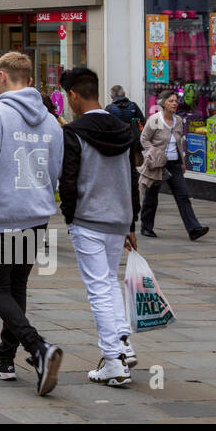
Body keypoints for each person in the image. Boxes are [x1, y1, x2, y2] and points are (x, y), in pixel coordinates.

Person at [0, 51, 64, 396]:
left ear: (3, 78)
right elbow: (55, 171)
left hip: (2, 216)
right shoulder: (52, 121)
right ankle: (3, 359)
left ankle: (38, 348)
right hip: (35, 216)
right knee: (17, 287)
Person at [59, 66, 142, 387]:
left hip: (89, 220)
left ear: (74, 95)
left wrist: (69, 215)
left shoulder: (75, 132)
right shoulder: (122, 129)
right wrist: (131, 221)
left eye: (69, 98)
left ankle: (113, 361)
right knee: (108, 282)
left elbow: (67, 180)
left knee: (98, 288)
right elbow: (133, 178)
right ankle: (123, 343)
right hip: (118, 219)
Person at [139, 89, 208, 241]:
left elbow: (179, 143)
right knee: (151, 197)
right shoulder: (154, 120)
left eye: (176, 101)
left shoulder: (178, 121)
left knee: (183, 195)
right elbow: (144, 139)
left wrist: (182, 162)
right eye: (171, 101)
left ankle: (194, 229)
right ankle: (146, 227)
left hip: (174, 164)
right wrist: (153, 153)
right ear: (163, 103)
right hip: (157, 165)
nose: (174, 103)